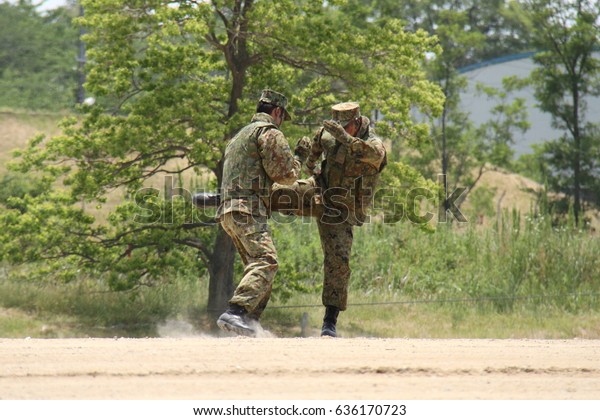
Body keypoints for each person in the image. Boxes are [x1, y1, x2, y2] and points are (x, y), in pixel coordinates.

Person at [271, 102, 387, 337]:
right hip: (320, 191)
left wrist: (343, 136)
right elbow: (315, 149)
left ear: (356, 123)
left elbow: (375, 155)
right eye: (337, 126)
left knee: (338, 262)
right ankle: (236, 198)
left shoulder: (373, 143)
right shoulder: (328, 134)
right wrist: (309, 163)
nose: (338, 130)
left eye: (344, 126)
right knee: (279, 193)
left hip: (342, 210)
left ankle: (329, 321)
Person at [215, 89, 310, 337]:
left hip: (229, 211)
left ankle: (250, 323)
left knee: (257, 268)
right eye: (282, 117)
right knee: (266, 262)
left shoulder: (238, 137)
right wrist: (300, 155)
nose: (281, 122)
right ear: (277, 112)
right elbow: (286, 175)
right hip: (247, 210)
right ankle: (236, 313)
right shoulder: (269, 133)